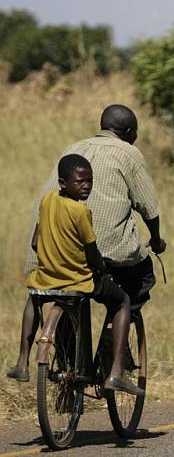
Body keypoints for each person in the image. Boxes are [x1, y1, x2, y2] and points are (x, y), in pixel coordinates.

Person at [7, 104, 166, 383]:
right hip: (98, 253)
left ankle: (66, 366)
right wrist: (155, 239)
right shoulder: (129, 153)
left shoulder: (74, 148)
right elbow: (149, 208)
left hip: (49, 250)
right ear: (130, 132)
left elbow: (36, 237)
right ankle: (110, 345)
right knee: (138, 282)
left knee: (54, 294)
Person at [8, 155, 143, 395]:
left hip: (47, 278)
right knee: (122, 301)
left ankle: (22, 361)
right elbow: (92, 254)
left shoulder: (47, 201)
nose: (87, 186)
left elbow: (34, 242)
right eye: (80, 181)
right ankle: (116, 372)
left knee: (33, 298)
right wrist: (103, 270)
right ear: (62, 182)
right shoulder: (81, 211)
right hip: (78, 280)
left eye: (90, 181)